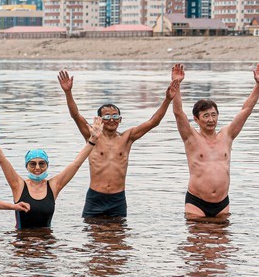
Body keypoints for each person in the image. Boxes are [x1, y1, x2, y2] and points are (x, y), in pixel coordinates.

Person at [57, 69, 179, 218]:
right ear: (100, 119)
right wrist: (68, 92)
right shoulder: (92, 135)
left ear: (120, 120)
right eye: (107, 116)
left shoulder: (127, 137)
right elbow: (75, 115)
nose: (112, 119)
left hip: (118, 199)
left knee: (119, 239)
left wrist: (167, 99)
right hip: (95, 197)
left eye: (115, 116)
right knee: (93, 239)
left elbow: (154, 122)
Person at [171, 63, 259, 219]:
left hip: (222, 203)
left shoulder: (227, 135)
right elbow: (178, 112)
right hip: (196, 202)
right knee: (195, 241)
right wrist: (176, 84)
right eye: (206, 116)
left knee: (224, 242)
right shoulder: (191, 137)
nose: (211, 119)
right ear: (196, 119)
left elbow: (246, 110)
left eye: (214, 115)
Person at [0, 112, 104, 229]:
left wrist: (92, 140)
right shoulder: (18, 185)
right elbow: (2, 159)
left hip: (47, 242)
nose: (37, 168)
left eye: (41, 164)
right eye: (32, 164)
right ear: (26, 166)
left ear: (47, 165)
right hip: (23, 243)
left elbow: (76, 164)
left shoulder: (54, 186)